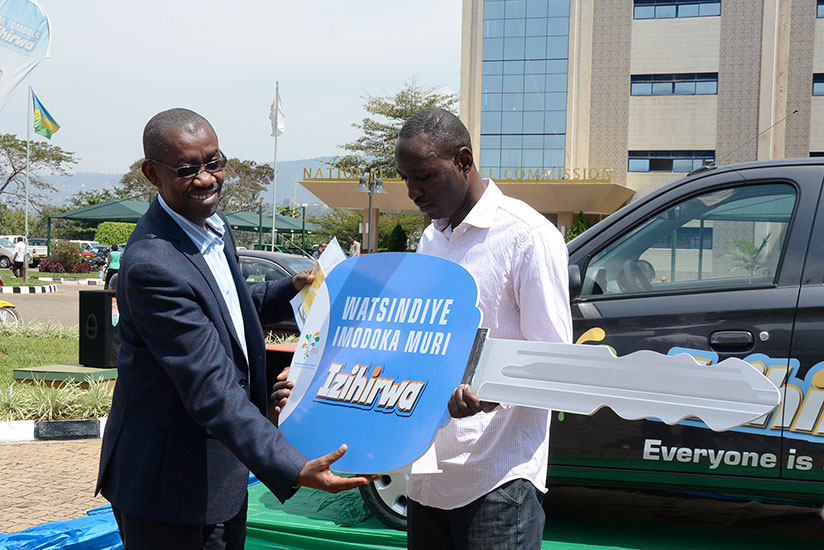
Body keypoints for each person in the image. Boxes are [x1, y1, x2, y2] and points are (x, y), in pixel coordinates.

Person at [96, 108, 374, 550]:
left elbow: (227, 306)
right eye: (188, 169)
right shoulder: (153, 265)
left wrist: (291, 287)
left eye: (215, 162)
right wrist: (291, 465)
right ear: (152, 173)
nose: (207, 179)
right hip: (168, 489)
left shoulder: (212, 227)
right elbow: (211, 386)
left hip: (222, 475)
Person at [394, 108, 572, 549]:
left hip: (496, 480)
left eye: (424, 177)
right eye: (405, 179)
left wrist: (488, 394)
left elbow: (554, 360)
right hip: (428, 475)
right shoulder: (431, 238)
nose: (413, 192)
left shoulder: (527, 235)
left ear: (463, 160)